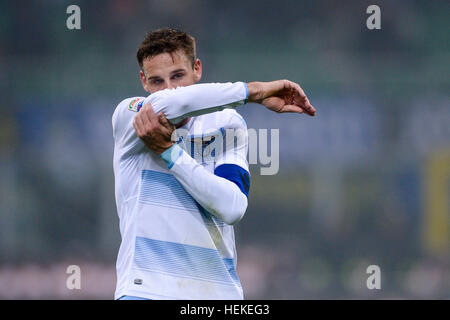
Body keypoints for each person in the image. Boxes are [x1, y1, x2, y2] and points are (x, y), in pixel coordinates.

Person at [112, 28, 315, 300]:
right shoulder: (133, 117)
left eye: (178, 76)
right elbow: (171, 103)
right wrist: (255, 91)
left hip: (216, 293)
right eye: (157, 81)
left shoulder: (226, 123)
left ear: (197, 69)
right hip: (146, 289)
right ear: (143, 82)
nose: (169, 89)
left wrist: (171, 154)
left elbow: (232, 208)